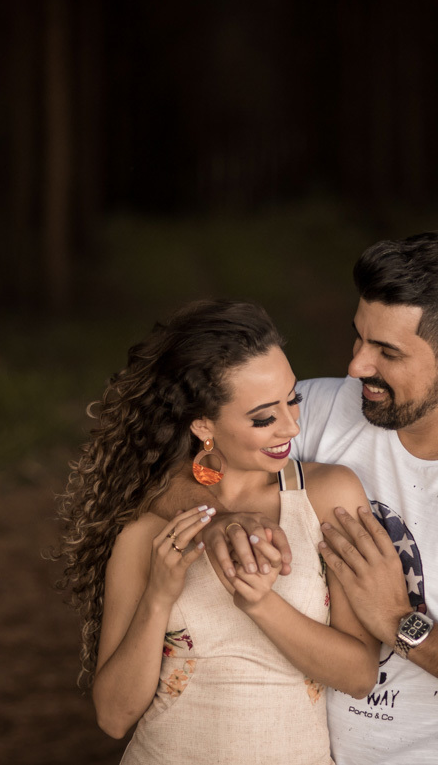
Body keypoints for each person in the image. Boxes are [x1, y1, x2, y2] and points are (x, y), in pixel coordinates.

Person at [198, 233, 438, 764]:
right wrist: (216, 514)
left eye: (388, 352)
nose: (357, 366)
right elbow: (190, 459)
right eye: (359, 338)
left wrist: (401, 622)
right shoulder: (319, 409)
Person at [53, 300, 379, 765]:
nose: (291, 426)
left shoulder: (328, 495)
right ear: (203, 424)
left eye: (293, 399)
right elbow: (113, 716)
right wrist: (158, 599)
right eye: (264, 417)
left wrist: (261, 604)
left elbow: (360, 674)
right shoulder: (148, 528)